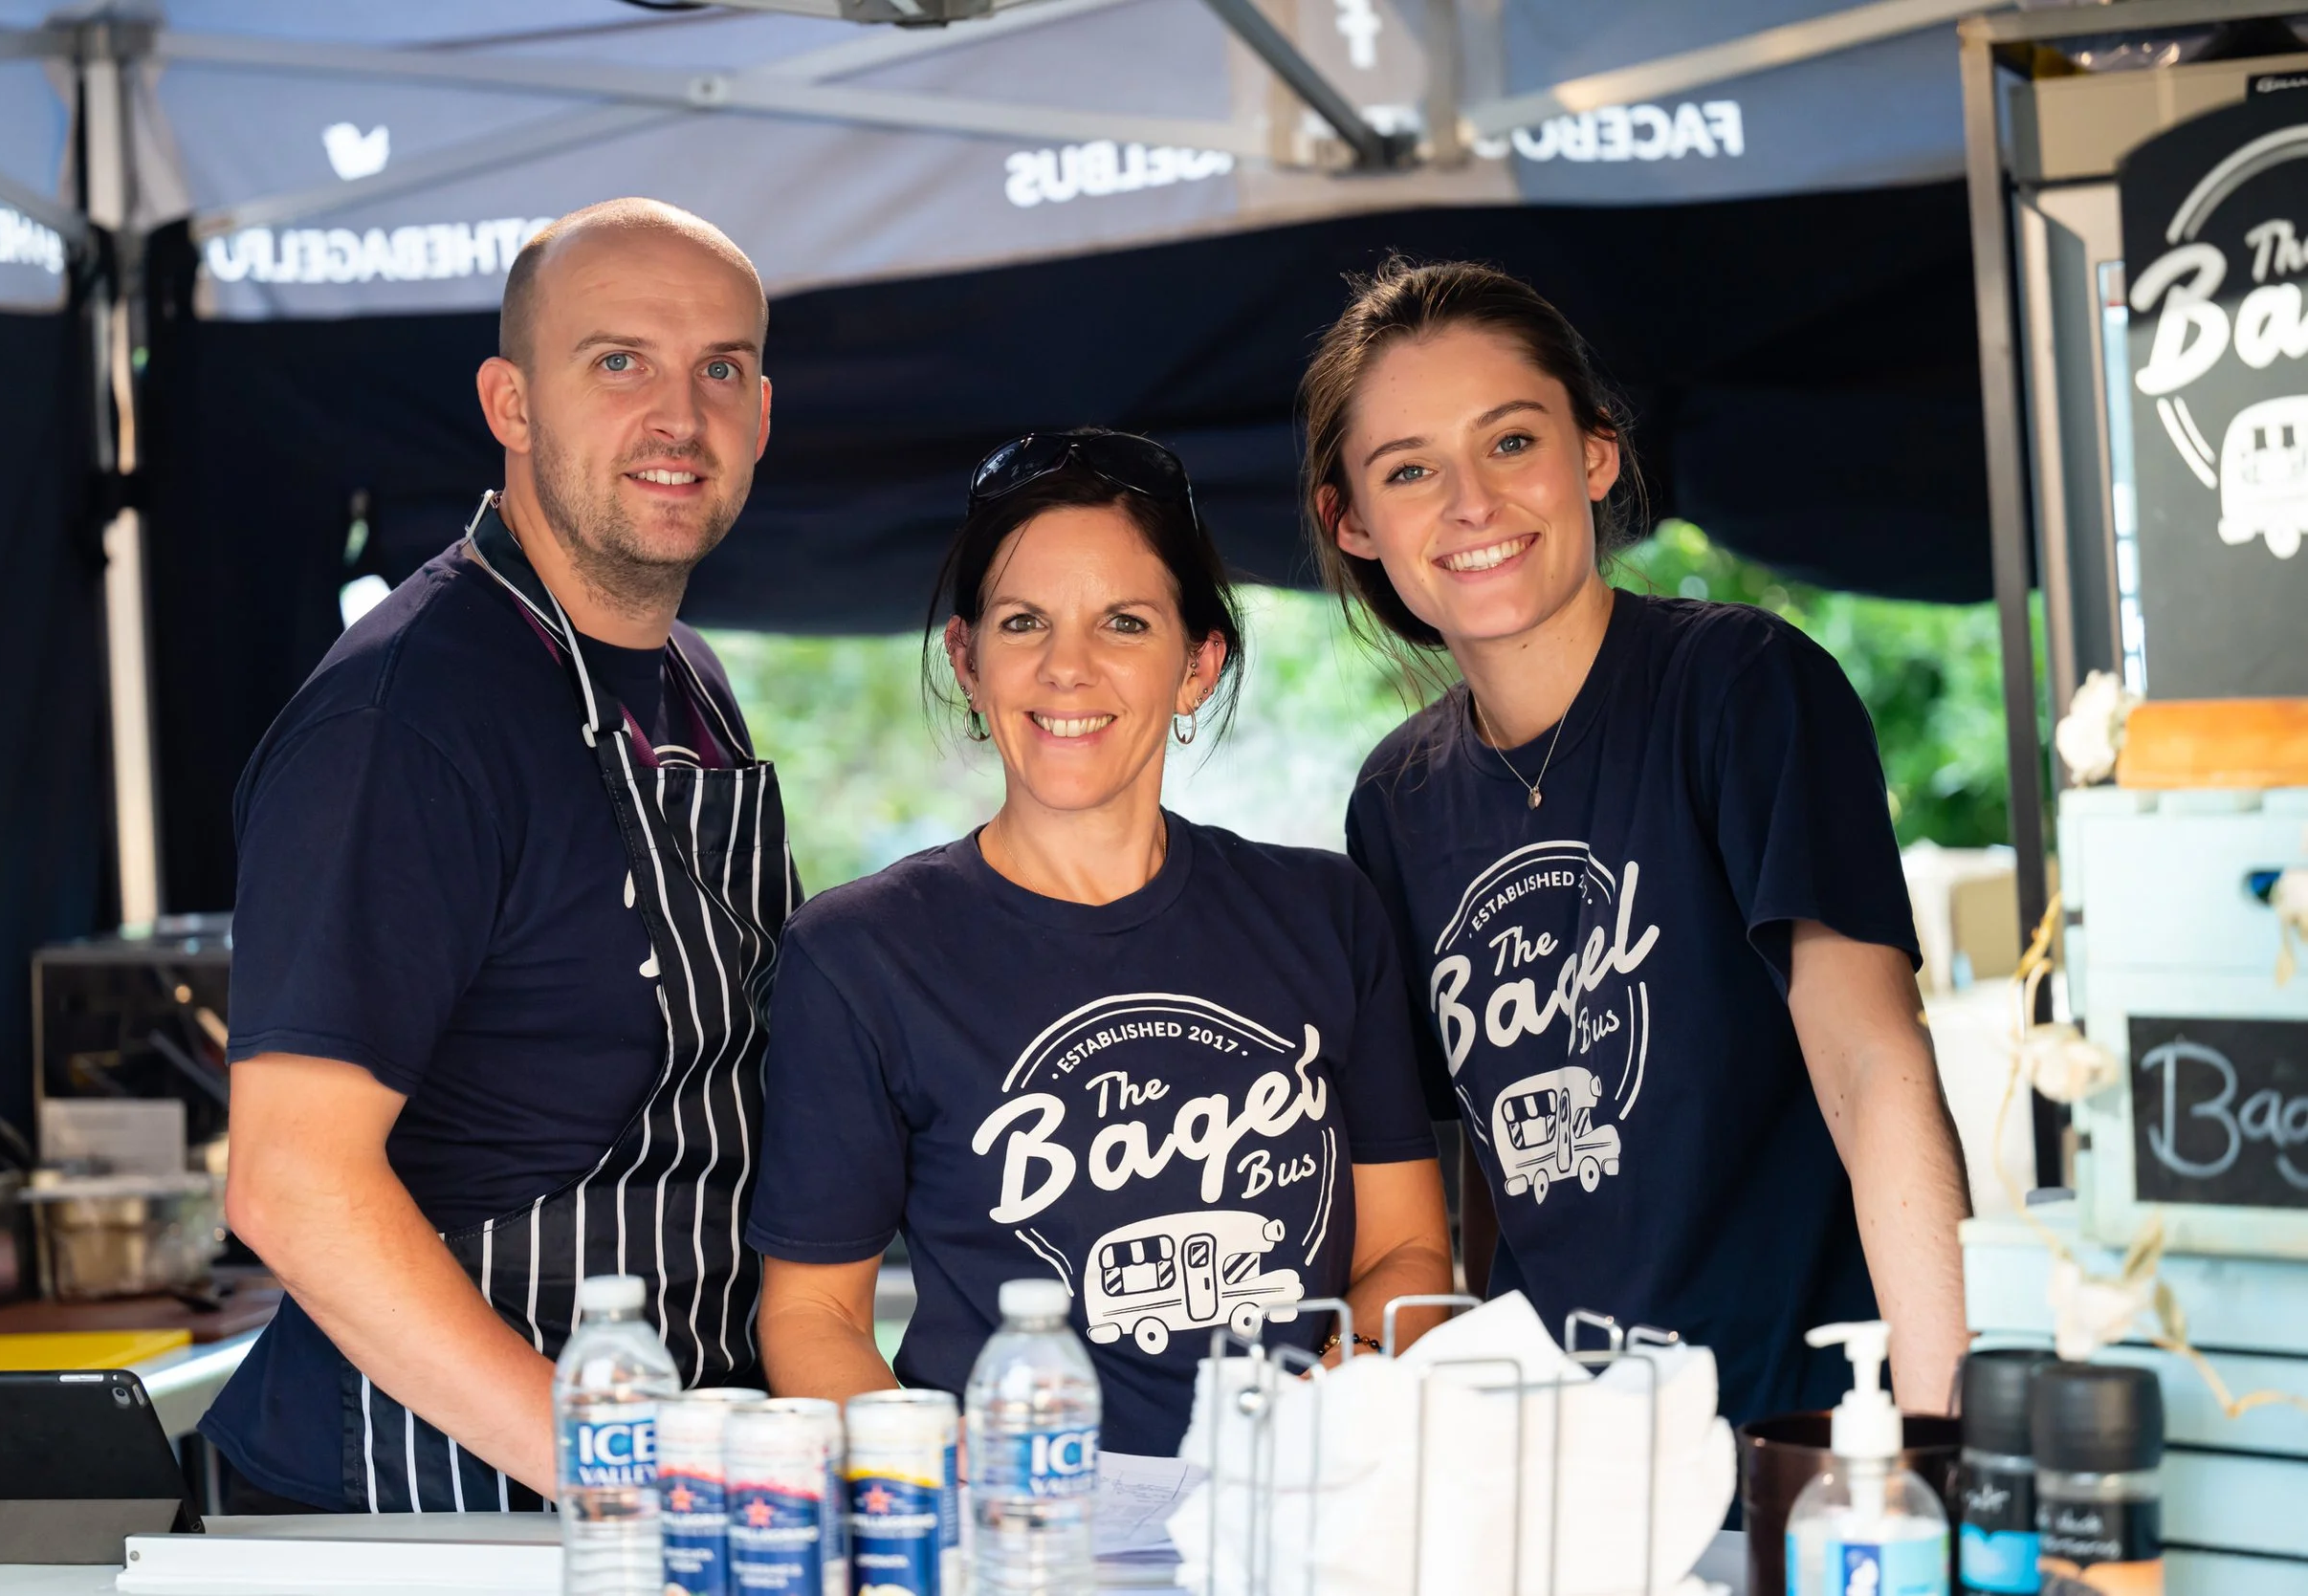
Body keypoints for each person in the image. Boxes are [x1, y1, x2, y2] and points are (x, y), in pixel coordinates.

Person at [1303, 260, 1972, 1424]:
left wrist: (1932, 1441)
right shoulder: (1394, 801)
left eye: (1509, 442)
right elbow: (1476, 1165)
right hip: (1569, 1469)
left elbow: (1874, 1068)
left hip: (1795, 1434)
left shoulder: (1743, 691)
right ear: (1352, 520)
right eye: (1410, 469)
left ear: (1593, 453)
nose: (1470, 503)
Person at [208, 198, 792, 1513]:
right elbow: (292, 1182)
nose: (679, 419)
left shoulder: (683, 682)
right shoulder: (407, 716)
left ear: (762, 412)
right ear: (510, 403)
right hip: (430, 1513)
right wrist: (626, 1478)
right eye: (618, 362)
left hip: (654, 1460)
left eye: (721, 370)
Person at [746, 429, 1453, 1455]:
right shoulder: (859, 953)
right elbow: (813, 1317)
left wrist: (1320, 1421)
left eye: (1124, 622)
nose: (1066, 667)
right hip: (1006, 1534)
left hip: (1291, 1524)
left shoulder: (1327, 914)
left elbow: (1407, 1248)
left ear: (1197, 665)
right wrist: (959, 1510)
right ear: (967, 658)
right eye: (1023, 621)